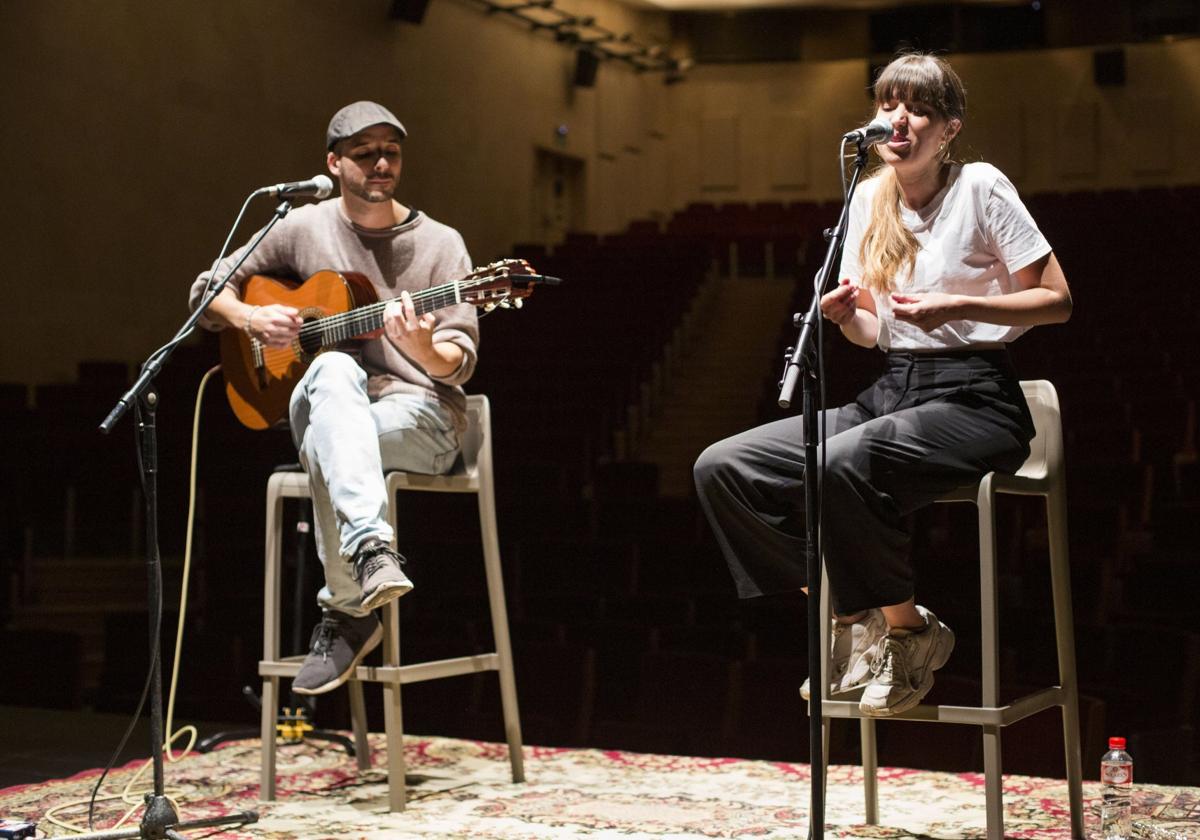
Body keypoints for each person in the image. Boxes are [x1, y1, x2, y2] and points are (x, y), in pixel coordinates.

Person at [693, 53, 1072, 717]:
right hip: (895, 388)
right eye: (887, 103)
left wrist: (960, 306)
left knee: (839, 462)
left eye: (917, 107)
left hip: (976, 397)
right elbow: (872, 331)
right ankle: (850, 613)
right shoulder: (868, 198)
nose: (897, 118)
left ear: (947, 129)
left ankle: (909, 631)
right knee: (723, 467)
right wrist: (848, 318)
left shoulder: (980, 186)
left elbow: (1056, 300)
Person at [188, 101, 479, 695]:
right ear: (333, 162)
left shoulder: (443, 245)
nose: (381, 163)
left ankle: (347, 611)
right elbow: (206, 289)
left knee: (330, 432)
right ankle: (371, 552)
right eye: (365, 152)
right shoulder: (303, 225)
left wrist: (421, 348)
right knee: (332, 373)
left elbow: (458, 362)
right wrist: (248, 318)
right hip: (329, 402)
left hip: (420, 413)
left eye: (391, 151)